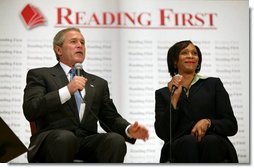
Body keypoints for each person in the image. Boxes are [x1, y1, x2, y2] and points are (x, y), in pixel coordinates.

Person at [23, 27, 149, 163]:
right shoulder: (40, 75)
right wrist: (67, 90)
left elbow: (110, 117)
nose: (80, 45)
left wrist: (128, 129)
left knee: (115, 140)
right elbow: (31, 109)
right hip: (53, 140)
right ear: (58, 50)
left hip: (86, 143)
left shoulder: (99, 83)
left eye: (82, 42)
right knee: (65, 138)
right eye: (73, 42)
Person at [154, 40, 238, 163]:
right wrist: (174, 99)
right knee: (188, 141)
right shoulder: (163, 93)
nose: (190, 56)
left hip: (213, 143)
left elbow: (231, 125)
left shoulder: (214, 84)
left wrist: (208, 122)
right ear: (174, 61)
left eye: (194, 53)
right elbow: (163, 133)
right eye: (184, 53)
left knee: (211, 141)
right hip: (182, 146)